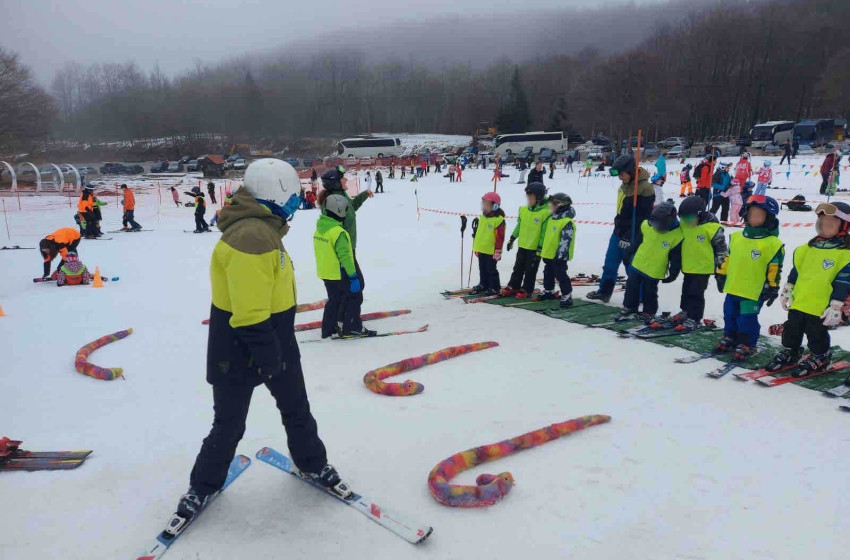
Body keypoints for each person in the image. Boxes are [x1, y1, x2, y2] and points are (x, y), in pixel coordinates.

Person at [168, 158, 349, 537]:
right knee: (229, 423)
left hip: (274, 335)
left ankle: (312, 462)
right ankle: (203, 486)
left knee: (297, 408)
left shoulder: (262, 226)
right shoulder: (252, 237)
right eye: (294, 195)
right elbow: (249, 315)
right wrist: (270, 361)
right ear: (276, 194)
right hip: (243, 344)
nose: (298, 203)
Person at [767, 201, 850, 375]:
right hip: (800, 300)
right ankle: (791, 350)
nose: (824, 227)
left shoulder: (845, 254)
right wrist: (788, 289)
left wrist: (836, 305)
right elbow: (796, 271)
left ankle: (820, 355)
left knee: (816, 333)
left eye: (830, 224)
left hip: (820, 305)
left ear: (844, 226)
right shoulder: (806, 249)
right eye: (821, 223)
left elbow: (843, 281)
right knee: (792, 328)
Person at [715, 195, 784, 360]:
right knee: (730, 314)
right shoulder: (737, 238)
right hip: (733, 286)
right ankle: (730, 336)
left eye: (759, 215)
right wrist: (721, 273)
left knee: (747, 319)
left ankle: (747, 343)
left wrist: (772, 287)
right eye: (752, 214)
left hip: (753, 291)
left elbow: (775, 268)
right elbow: (729, 258)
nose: (754, 218)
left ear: (768, 218)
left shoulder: (772, 243)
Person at [587, 155, 656, 302]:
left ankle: (639, 297)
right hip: (618, 230)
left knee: (632, 267)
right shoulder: (624, 184)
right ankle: (604, 292)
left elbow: (643, 217)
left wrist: (631, 235)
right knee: (610, 264)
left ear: (631, 171)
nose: (620, 178)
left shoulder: (645, 188)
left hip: (633, 233)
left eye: (622, 174)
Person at [318, 165, 374, 337]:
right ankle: (350, 324)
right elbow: (337, 225)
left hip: (348, 248)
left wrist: (363, 195)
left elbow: (351, 210)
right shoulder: (334, 201)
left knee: (344, 290)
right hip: (343, 250)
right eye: (343, 179)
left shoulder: (341, 197)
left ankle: (338, 322)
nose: (346, 180)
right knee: (354, 287)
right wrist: (343, 253)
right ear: (335, 183)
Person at [616, 203, 683, 321]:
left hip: (654, 269)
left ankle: (649, 311)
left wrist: (673, 272)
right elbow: (638, 242)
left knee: (650, 291)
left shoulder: (677, 235)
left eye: (659, 225)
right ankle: (629, 306)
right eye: (654, 224)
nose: (655, 228)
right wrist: (628, 252)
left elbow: (675, 257)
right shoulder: (647, 225)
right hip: (639, 263)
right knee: (632, 287)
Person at [314, 194, 368, 339]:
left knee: (334, 300)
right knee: (354, 297)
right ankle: (352, 327)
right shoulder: (339, 233)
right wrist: (353, 276)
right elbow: (346, 258)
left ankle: (328, 328)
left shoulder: (320, 228)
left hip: (326, 272)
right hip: (338, 273)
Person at [673, 196, 727, 332]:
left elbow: (721, 251)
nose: (686, 222)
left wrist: (721, 270)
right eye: (683, 218)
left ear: (700, 214)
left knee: (696, 293)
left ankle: (695, 317)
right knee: (686, 291)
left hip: (703, 268)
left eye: (690, 218)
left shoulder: (712, 229)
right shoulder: (684, 225)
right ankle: (685, 310)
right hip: (688, 266)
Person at [502, 182, 549, 299]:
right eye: (527, 197)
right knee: (518, 267)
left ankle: (527, 289)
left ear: (539, 198)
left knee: (530, 270)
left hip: (534, 248)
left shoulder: (546, 213)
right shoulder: (523, 210)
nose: (528, 200)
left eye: (531, 198)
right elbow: (519, 226)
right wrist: (512, 238)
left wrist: (540, 248)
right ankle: (514, 285)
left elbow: (544, 233)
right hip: (522, 245)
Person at [535, 193, 576, 308]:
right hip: (549, 253)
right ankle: (549, 290)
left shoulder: (566, 221)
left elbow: (565, 240)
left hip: (559, 256)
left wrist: (561, 254)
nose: (550, 207)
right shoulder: (552, 218)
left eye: (552, 205)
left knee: (560, 274)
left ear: (560, 205)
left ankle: (567, 294)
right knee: (548, 272)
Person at [469, 192, 506, 296]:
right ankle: (483, 284)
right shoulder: (482, 218)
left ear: (495, 206)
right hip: (482, 249)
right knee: (482, 268)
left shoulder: (498, 220)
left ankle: (494, 287)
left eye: (487, 204)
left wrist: (498, 251)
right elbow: (480, 234)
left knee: (491, 270)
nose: (484, 207)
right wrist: (476, 248)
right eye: (483, 204)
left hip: (491, 251)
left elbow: (500, 237)